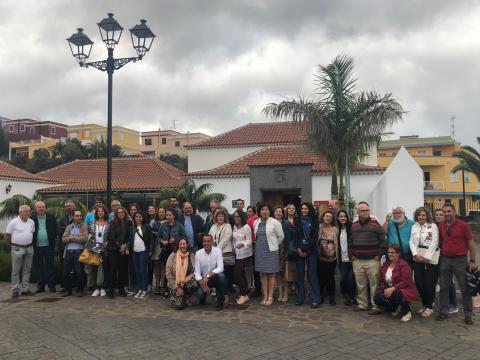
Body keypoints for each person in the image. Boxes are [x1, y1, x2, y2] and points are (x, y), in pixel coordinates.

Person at [436, 203, 477, 325]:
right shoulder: (441, 225)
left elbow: (471, 243)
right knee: (444, 287)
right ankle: (444, 311)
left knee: (465, 288)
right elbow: (439, 241)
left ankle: (468, 314)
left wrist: (473, 261)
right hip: (445, 259)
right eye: (445, 212)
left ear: (454, 212)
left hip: (460, 260)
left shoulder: (463, 225)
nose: (446, 214)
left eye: (449, 211)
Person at [351, 201, 386, 314]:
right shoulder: (354, 225)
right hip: (358, 260)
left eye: (367, 210)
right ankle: (362, 304)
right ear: (358, 212)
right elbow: (350, 241)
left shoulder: (375, 224)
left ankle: (376, 306)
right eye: (363, 210)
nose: (366, 212)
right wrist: (352, 255)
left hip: (372, 260)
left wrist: (379, 255)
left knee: (374, 284)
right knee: (360, 284)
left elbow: (383, 241)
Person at [374, 244, 419, 322]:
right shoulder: (385, 265)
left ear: (398, 254)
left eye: (392, 252)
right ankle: (394, 308)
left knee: (396, 294)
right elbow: (382, 281)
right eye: (388, 252)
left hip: (404, 289)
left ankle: (407, 312)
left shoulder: (404, 265)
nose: (390, 254)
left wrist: (393, 288)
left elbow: (406, 282)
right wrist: (383, 290)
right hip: (389, 288)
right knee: (377, 298)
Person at [409, 207, 439, 318]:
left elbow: (435, 242)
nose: (421, 217)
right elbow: (411, 241)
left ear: (427, 216)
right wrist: (415, 254)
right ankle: (425, 305)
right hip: (417, 256)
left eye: (423, 215)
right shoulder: (414, 226)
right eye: (419, 215)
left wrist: (427, 257)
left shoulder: (433, 226)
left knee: (429, 283)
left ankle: (429, 307)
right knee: (419, 283)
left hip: (429, 258)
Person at [254, 203, 284, 306]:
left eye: (266, 209)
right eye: (262, 210)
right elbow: (256, 236)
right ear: (259, 211)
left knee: (271, 273)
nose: (264, 211)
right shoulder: (256, 222)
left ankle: (270, 296)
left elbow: (281, 236)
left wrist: (274, 245)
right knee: (263, 274)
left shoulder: (275, 222)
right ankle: (265, 295)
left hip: (271, 251)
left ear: (269, 211)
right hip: (260, 251)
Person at [293, 202, 321, 307]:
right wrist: (299, 249)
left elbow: (314, 237)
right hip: (299, 250)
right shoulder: (297, 221)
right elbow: (295, 237)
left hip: (311, 250)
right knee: (300, 275)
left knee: (312, 275)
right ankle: (300, 298)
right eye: (302, 208)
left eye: (305, 208)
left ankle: (315, 299)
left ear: (309, 209)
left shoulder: (315, 221)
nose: (303, 210)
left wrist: (306, 249)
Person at [5, 205, 35, 298]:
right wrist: (13, 246)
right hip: (17, 248)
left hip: (29, 248)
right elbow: (7, 236)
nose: (28, 213)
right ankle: (15, 290)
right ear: (20, 212)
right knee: (16, 270)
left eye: (29, 211)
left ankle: (25, 289)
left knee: (27, 269)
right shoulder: (13, 222)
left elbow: (32, 233)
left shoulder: (31, 222)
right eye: (26, 211)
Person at [435, 208, 458, 314]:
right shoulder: (434, 227)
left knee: (449, 282)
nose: (439, 216)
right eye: (437, 215)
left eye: (441, 214)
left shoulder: (449, 227)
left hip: (447, 258)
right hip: (436, 258)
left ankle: (453, 304)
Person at [195, 234, 227, 311]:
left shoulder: (218, 251)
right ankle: (204, 296)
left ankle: (220, 302)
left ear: (212, 242)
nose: (206, 243)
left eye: (208, 241)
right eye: (204, 241)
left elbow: (220, 268)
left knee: (222, 276)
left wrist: (208, 275)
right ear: (202, 243)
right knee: (200, 294)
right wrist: (202, 283)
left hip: (215, 277)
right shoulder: (198, 253)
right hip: (204, 280)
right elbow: (197, 271)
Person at [158, 208, 187, 294]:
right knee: (168, 270)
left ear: (174, 215)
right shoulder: (163, 225)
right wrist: (163, 241)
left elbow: (184, 237)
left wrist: (176, 240)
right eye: (167, 215)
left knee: (177, 269)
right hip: (165, 250)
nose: (168, 216)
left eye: (170, 215)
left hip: (176, 251)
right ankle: (167, 289)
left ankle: (178, 288)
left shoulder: (179, 225)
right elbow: (158, 237)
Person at [31, 201, 57, 293]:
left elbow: (55, 231)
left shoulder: (51, 217)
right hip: (37, 246)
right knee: (39, 266)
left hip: (48, 246)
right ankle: (40, 286)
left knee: (50, 266)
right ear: (35, 209)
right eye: (39, 207)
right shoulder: (32, 218)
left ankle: (51, 285)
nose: (41, 209)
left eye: (43, 207)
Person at [61, 210, 88, 297]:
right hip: (69, 252)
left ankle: (80, 290)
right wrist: (76, 238)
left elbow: (84, 239)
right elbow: (63, 238)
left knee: (79, 272)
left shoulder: (84, 227)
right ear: (73, 217)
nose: (79, 217)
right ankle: (68, 290)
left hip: (79, 252)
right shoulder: (69, 227)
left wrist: (71, 238)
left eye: (80, 216)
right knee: (66, 272)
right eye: (77, 216)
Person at [166, 238, 197, 310]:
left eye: (184, 244)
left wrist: (189, 277)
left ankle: (187, 297)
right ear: (178, 245)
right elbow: (168, 274)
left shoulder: (192, 256)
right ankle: (178, 298)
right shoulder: (173, 256)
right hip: (175, 283)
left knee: (194, 284)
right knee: (179, 306)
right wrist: (177, 287)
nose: (182, 246)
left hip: (186, 282)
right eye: (180, 244)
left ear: (187, 245)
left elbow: (196, 271)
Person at [209, 209, 234, 298]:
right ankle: (218, 292)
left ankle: (224, 295)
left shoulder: (228, 226)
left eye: (222, 216)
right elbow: (210, 237)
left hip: (225, 253)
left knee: (225, 275)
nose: (220, 218)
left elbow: (226, 239)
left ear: (225, 217)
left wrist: (217, 249)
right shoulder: (213, 226)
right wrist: (214, 246)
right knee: (216, 274)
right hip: (215, 253)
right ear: (216, 217)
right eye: (219, 216)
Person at [106, 206, 131, 298]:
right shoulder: (112, 223)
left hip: (124, 250)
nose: (121, 214)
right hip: (114, 250)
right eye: (119, 212)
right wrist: (119, 246)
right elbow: (111, 237)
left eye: (122, 212)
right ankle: (111, 291)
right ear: (116, 214)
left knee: (122, 271)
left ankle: (121, 290)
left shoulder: (129, 223)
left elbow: (130, 236)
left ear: (125, 213)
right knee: (113, 270)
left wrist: (126, 246)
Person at [129, 211, 153, 300]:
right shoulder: (132, 228)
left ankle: (144, 289)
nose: (138, 218)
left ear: (143, 218)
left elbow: (151, 240)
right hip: (134, 252)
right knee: (137, 271)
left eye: (140, 217)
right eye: (136, 217)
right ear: (134, 218)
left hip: (144, 251)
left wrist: (150, 250)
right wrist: (128, 248)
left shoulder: (146, 227)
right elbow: (130, 240)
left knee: (143, 271)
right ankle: (140, 288)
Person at [87, 205, 109, 297]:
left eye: (102, 211)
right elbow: (88, 234)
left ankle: (103, 287)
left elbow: (111, 235)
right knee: (94, 269)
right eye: (98, 211)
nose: (100, 212)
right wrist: (90, 239)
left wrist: (108, 241)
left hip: (105, 249)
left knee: (105, 268)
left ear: (105, 213)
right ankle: (96, 288)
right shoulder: (92, 223)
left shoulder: (109, 224)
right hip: (94, 249)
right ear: (96, 213)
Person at [317, 210, 339, 305]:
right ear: (323, 217)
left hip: (332, 258)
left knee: (330, 277)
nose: (328, 218)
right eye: (326, 216)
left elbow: (337, 243)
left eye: (330, 217)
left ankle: (332, 296)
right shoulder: (319, 227)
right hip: (320, 258)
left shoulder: (335, 229)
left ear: (332, 219)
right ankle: (321, 295)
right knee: (321, 277)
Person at [232, 209, 253, 304]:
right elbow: (233, 240)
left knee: (237, 273)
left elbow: (249, 241)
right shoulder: (234, 227)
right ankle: (244, 294)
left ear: (242, 217)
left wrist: (242, 244)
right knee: (241, 273)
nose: (236, 218)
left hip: (245, 254)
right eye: (235, 216)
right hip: (237, 253)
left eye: (238, 216)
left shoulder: (246, 227)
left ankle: (243, 295)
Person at [336, 210, 356, 306]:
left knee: (351, 279)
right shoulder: (338, 229)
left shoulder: (352, 228)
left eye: (344, 216)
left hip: (352, 258)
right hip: (343, 259)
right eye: (341, 216)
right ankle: (347, 296)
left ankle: (352, 298)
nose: (343, 218)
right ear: (338, 218)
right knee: (344, 279)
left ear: (347, 218)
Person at [57, 200, 76, 291]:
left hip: (76, 247)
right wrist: (69, 229)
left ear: (74, 207)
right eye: (67, 206)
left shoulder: (79, 217)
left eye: (70, 206)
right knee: (64, 267)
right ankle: (64, 285)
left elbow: (81, 230)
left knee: (76, 267)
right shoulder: (62, 219)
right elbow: (59, 231)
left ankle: (75, 285)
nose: (68, 208)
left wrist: (66, 231)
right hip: (63, 246)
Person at [281, 204, 298, 302]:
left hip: (296, 247)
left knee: (296, 269)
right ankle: (285, 293)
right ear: (286, 210)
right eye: (289, 208)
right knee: (286, 271)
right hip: (286, 248)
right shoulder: (284, 222)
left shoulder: (297, 221)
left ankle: (295, 288)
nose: (291, 210)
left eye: (293, 208)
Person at [273, 206, 289, 302]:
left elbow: (288, 237)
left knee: (285, 273)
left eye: (280, 211)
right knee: (278, 273)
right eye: (276, 211)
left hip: (284, 250)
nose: (278, 213)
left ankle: (285, 293)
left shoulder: (285, 223)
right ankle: (280, 293)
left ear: (283, 214)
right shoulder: (270, 222)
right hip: (274, 250)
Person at [151, 207, 167, 294]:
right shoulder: (154, 223)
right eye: (160, 212)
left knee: (163, 265)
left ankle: (162, 285)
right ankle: (157, 284)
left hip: (164, 246)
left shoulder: (167, 222)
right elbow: (152, 233)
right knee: (156, 265)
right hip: (156, 246)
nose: (161, 213)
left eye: (163, 212)